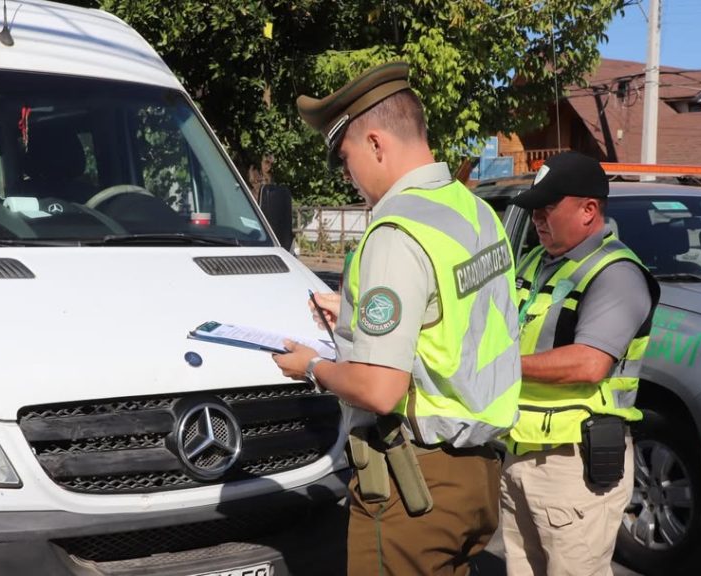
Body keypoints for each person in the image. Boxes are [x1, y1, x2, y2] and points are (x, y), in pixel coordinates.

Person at [272, 61, 521, 576]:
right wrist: (354, 315)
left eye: (346, 159)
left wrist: (312, 367)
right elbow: (455, 319)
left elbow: (380, 389)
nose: (349, 176)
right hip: (479, 473)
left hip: (416, 486)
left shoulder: (394, 232)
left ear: (377, 144)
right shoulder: (475, 212)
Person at [499, 151, 660, 576]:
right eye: (534, 208)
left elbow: (590, 364)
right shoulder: (536, 263)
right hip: (520, 453)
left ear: (589, 209)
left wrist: (497, 365)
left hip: (573, 467)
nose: (537, 217)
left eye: (548, 207)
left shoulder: (615, 273)